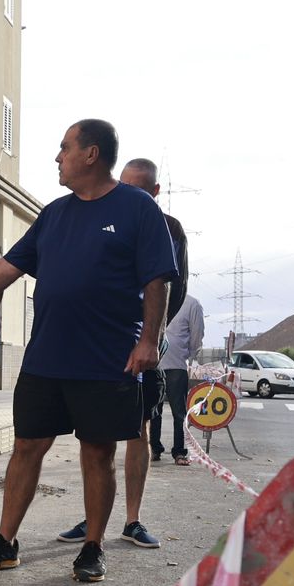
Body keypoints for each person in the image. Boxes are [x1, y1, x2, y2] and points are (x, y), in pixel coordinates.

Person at [0, 119, 184, 582]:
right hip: (48, 354)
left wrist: (149, 340)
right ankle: (5, 541)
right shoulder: (54, 213)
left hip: (108, 356)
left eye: (64, 148)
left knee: (97, 451)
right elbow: (8, 266)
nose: (57, 157)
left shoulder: (137, 209)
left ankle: (92, 547)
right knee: (27, 445)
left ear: (91, 154)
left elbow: (157, 279)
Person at [50, 158, 188, 545]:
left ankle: (132, 519)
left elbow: (171, 291)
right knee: (93, 436)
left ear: (154, 192)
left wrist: (148, 338)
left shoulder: (168, 229)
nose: (126, 194)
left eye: (138, 188)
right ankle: (92, 515)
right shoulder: (94, 215)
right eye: (122, 185)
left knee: (137, 430)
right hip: (97, 346)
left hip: (140, 347)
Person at [159, 288, 205, 465]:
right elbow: (197, 336)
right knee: (158, 411)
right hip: (158, 363)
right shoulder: (155, 297)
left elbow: (196, 335)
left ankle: (177, 451)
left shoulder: (191, 303)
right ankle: (158, 448)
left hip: (174, 365)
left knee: (176, 412)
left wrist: (188, 357)